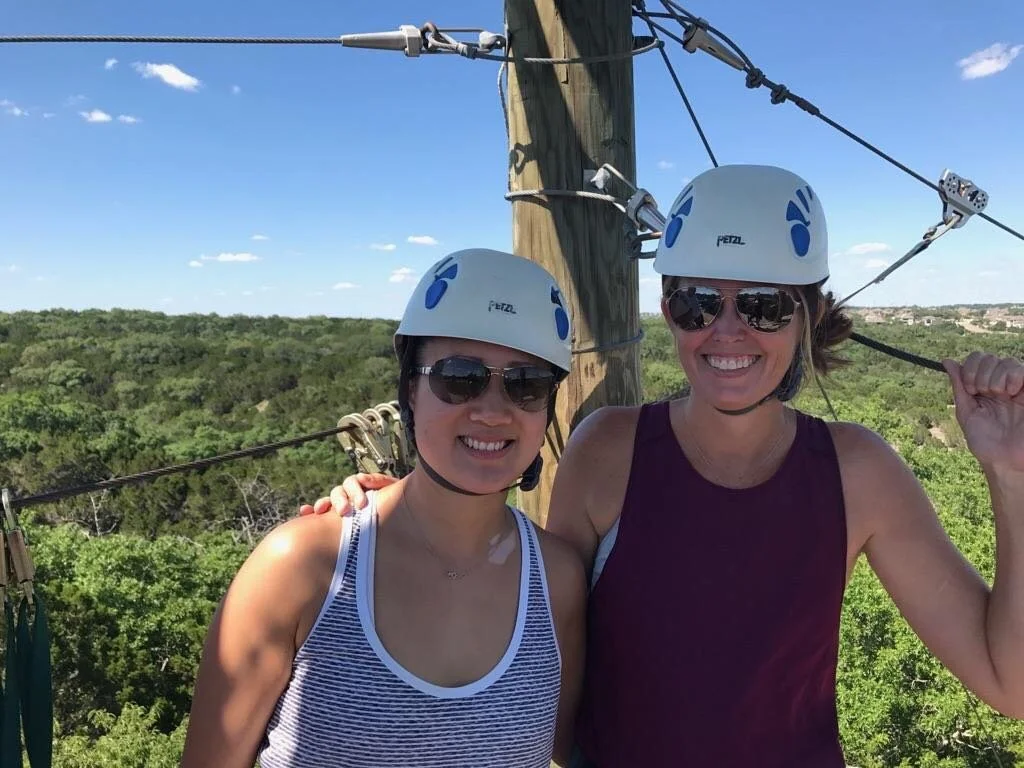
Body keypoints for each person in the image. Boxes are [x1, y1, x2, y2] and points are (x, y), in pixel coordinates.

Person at [303, 165, 1024, 766]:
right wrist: (400, 513)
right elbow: (527, 621)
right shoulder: (607, 450)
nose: (728, 332)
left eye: (765, 307)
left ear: (806, 314)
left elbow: (1008, 682)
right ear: (668, 307)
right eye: (698, 302)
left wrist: (1011, 472)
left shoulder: (856, 470)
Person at [181, 248, 586, 768]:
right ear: (411, 390)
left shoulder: (558, 581)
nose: (491, 410)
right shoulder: (302, 567)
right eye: (459, 377)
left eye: (525, 384)